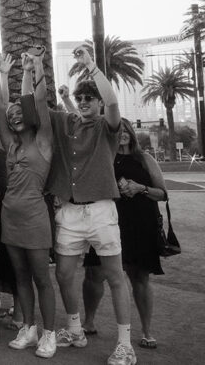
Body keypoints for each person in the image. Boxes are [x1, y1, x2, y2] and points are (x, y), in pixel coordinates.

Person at [46, 44, 134, 365]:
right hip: (68, 211)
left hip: (100, 211)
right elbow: (50, 110)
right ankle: (74, 329)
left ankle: (125, 344)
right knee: (64, 274)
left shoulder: (107, 127)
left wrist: (91, 66)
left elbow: (112, 102)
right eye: (80, 98)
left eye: (88, 98)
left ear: (97, 102)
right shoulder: (69, 126)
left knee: (114, 276)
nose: (84, 102)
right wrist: (56, 88)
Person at [0, 51, 57, 357]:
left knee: (42, 278)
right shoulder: (11, 145)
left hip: (35, 218)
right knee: (20, 278)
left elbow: (39, 102)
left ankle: (49, 333)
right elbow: (0, 105)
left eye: (20, 113)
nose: (14, 116)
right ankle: (28, 328)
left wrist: (35, 68)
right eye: (12, 115)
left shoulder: (43, 140)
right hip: (10, 219)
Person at [82, 118, 168, 352]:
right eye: (116, 130)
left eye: (126, 129)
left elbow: (162, 194)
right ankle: (88, 321)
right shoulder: (103, 158)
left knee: (139, 277)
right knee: (94, 273)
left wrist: (140, 188)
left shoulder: (145, 159)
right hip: (108, 221)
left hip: (141, 223)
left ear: (132, 133)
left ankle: (147, 331)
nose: (122, 134)